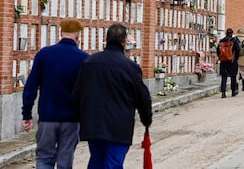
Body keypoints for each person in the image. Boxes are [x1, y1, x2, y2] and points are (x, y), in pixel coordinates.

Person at [73, 24, 152, 168]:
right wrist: (146, 119)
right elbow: (142, 96)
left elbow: (78, 92)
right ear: (124, 41)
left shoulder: (90, 62)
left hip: (93, 122)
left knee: (96, 159)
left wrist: (80, 116)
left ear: (106, 39)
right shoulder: (130, 67)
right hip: (119, 125)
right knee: (113, 163)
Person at [22, 19, 88, 168]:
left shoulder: (45, 55)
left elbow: (31, 86)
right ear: (79, 35)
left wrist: (27, 113)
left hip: (47, 116)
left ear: (60, 32)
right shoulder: (83, 58)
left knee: (44, 158)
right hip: (72, 118)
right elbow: (87, 92)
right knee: (65, 159)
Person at [217, 28, 240, 98]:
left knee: (224, 77)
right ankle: (233, 91)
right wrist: (235, 58)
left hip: (223, 61)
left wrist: (221, 58)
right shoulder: (234, 41)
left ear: (226, 33)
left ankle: (223, 93)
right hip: (232, 61)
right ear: (232, 33)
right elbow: (238, 51)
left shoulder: (221, 41)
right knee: (233, 76)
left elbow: (218, 51)